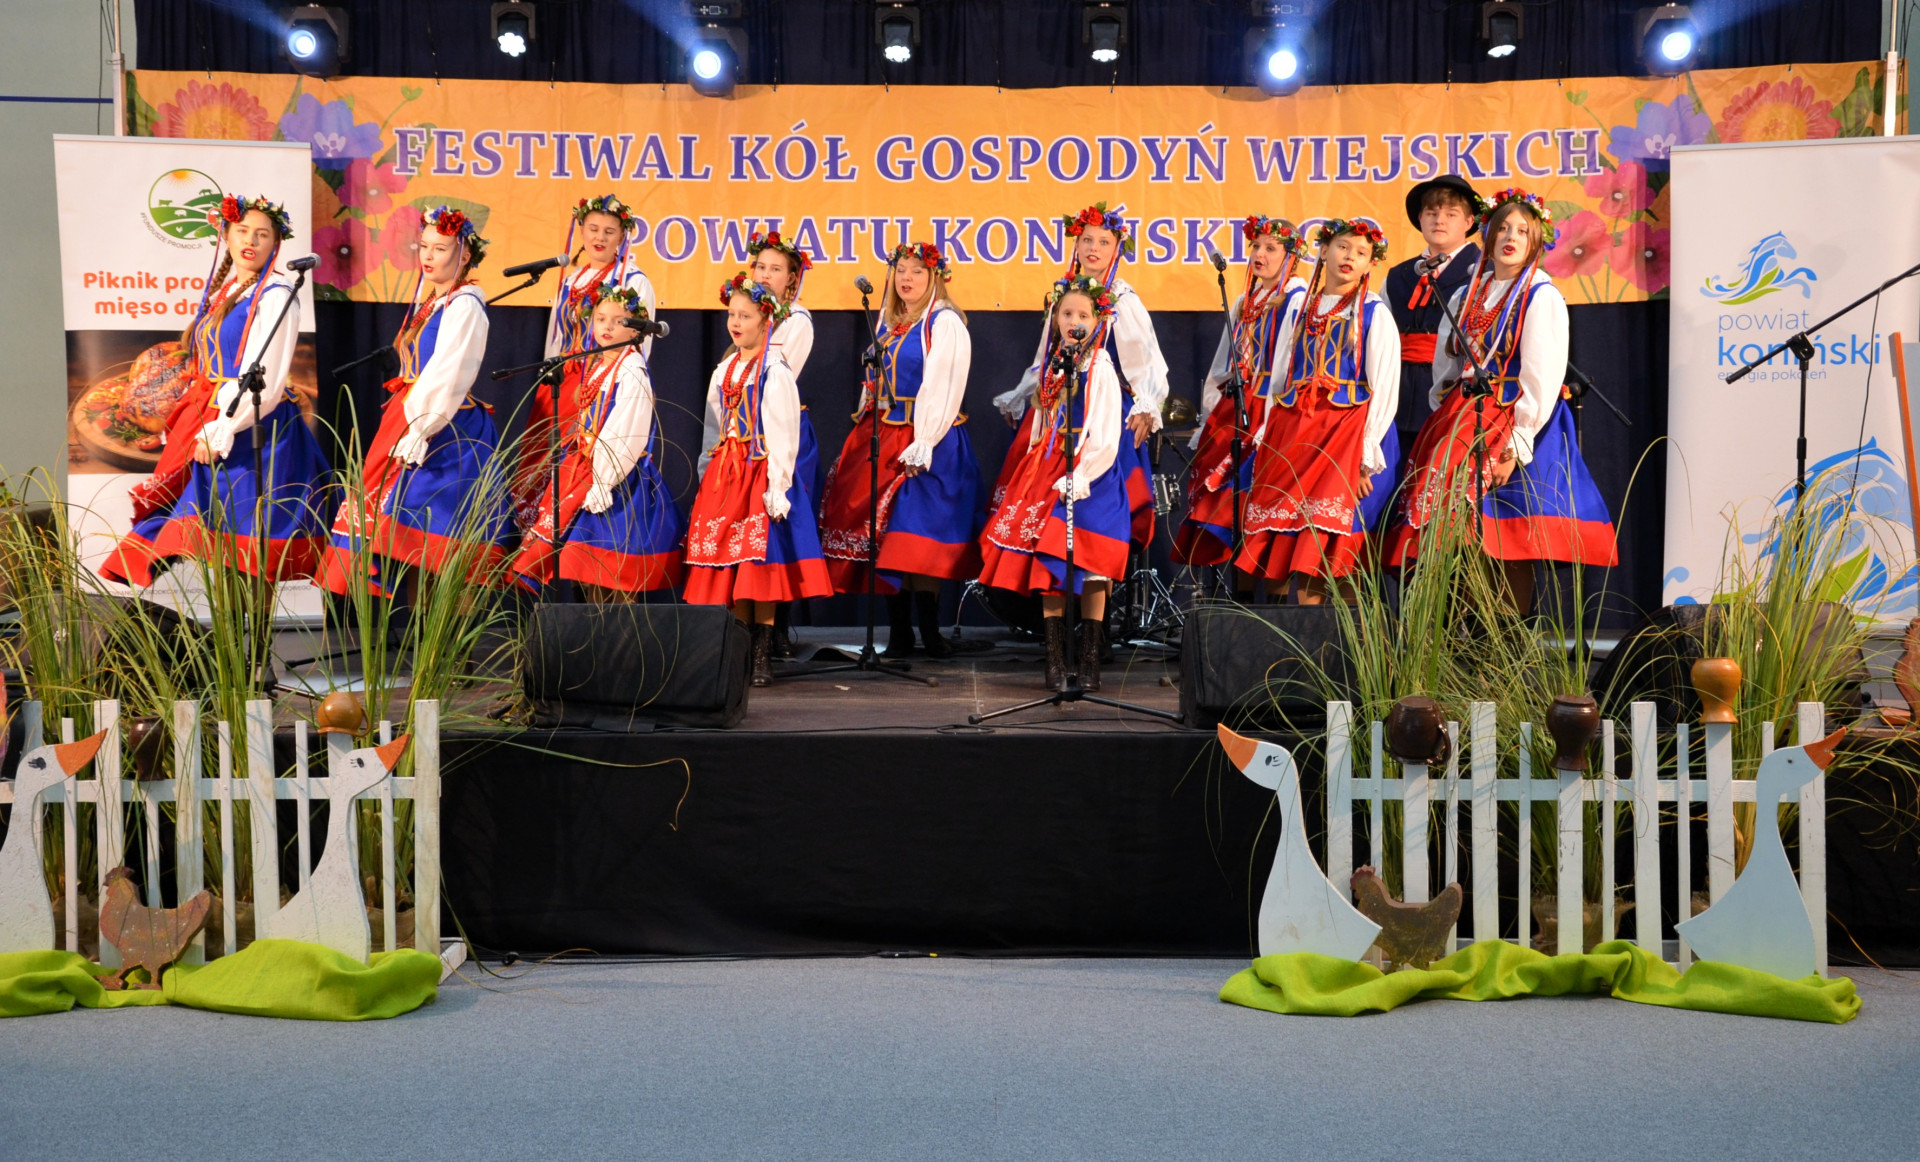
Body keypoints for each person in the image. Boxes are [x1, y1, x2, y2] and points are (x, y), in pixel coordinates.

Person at [1383, 188, 1618, 613]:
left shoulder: (1540, 294)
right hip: (1464, 416)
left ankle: (1507, 638)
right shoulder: (1467, 294)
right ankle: (1462, 632)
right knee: (1458, 534)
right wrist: (1444, 408)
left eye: (1523, 231)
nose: (1511, 237)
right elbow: (1447, 364)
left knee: (1508, 534)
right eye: (1504, 228)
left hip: (1513, 419)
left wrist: (1517, 443)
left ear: (1536, 241)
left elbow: (1542, 373)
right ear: (1488, 237)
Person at [101, 194, 329, 588]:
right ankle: (230, 630)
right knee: (218, 541)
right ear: (226, 235)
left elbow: (266, 376)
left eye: (262, 234)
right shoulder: (230, 291)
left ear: (275, 243)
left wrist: (224, 426)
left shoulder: (276, 295)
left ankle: (254, 631)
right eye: (242, 231)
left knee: (246, 539)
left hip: (253, 423)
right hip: (211, 414)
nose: (251, 241)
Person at [319, 206, 514, 596]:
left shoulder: (465, 304)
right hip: (410, 418)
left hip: (445, 430)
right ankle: (419, 631)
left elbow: (450, 371)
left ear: (464, 254)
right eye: (424, 246)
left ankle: (446, 635)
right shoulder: (435, 302)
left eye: (440, 249)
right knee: (407, 544)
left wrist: (422, 428)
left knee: (436, 539)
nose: (428, 256)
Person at [816, 242, 983, 658]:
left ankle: (929, 630)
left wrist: (924, 440)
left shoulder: (944, 322)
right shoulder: (891, 323)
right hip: (885, 434)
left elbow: (942, 384)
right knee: (888, 537)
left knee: (917, 536)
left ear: (935, 277)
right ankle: (900, 631)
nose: (907, 278)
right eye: (901, 270)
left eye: (917, 271)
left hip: (927, 438)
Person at [1235, 219, 1401, 599]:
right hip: (1295, 428)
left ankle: (1338, 632)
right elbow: (1281, 373)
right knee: (1280, 533)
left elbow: (1384, 387)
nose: (1349, 257)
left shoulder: (1373, 312)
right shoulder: (1300, 306)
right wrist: (1269, 429)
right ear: (1324, 251)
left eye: (1361, 253)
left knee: (1328, 538)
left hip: (1345, 433)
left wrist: (1364, 456)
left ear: (1370, 264)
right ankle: (1282, 628)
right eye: (1342, 247)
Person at [978, 276, 1128, 691]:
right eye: (1066, 314)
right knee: (1050, 562)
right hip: (1050, 465)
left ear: (1097, 321)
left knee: (1094, 565)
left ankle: (1091, 659)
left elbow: (1105, 431)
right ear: (1055, 319)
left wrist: (1083, 474)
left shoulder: (1100, 366)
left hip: (1091, 472)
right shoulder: (1053, 364)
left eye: (1083, 315)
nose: (1073, 321)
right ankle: (1056, 661)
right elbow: (1044, 420)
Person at [685, 274, 832, 685]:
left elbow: (784, 431)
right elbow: (713, 427)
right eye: (732, 314)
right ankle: (739, 651)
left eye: (745, 316)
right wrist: (706, 472)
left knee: (758, 564)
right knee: (729, 563)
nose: (735, 322)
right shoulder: (725, 369)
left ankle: (763, 653)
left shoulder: (774, 370)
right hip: (727, 475)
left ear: (766, 320)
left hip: (759, 472)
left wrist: (778, 485)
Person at [993, 203, 1168, 548]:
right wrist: (1024, 393)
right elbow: (1046, 356)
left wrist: (1147, 402)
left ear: (1116, 249)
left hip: (1102, 406)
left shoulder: (1121, 299)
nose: (1093, 249)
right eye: (1087, 240)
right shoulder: (1065, 294)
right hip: (1060, 401)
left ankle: (1095, 555)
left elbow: (1146, 358)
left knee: (1100, 493)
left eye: (1104, 242)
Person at [511, 286, 682, 598]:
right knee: (579, 563)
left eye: (618, 321)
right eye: (601, 318)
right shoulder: (598, 365)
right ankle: (586, 620)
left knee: (607, 563)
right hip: (581, 468)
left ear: (636, 329)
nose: (607, 326)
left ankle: (613, 625)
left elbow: (625, 429)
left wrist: (604, 481)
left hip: (615, 479)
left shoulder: (631, 370)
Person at [1171, 216, 1307, 569]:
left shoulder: (1296, 299)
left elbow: (1291, 365)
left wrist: (1274, 418)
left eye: (1271, 248)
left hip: (1269, 407)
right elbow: (1223, 363)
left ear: (1291, 256)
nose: (1259, 254)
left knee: (1257, 499)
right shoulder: (1246, 300)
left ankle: (1265, 589)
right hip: (1239, 403)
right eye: (1256, 246)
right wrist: (1211, 413)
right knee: (1227, 506)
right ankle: (1236, 592)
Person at [515, 194, 656, 531]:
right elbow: (556, 334)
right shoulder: (571, 279)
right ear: (581, 230)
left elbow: (640, 342)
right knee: (541, 458)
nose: (599, 237)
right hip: (563, 380)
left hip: (599, 382)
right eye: (593, 229)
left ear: (622, 236)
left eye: (609, 231)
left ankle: (574, 535)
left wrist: (615, 377)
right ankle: (533, 536)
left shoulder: (632, 280)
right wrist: (549, 373)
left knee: (579, 461)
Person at [747, 229, 820, 659]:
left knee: (782, 522)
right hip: (746, 431)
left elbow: (774, 377)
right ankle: (750, 630)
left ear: (791, 278)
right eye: (760, 267)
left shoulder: (796, 320)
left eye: (775, 269)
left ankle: (777, 629)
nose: (765, 275)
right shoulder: (747, 314)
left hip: (782, 430)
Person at [1385, 175, 1483, 439]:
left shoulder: (1484, 273)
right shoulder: (1398, 275)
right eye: (1431, 213)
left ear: (1469, 222)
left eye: (1451, 214)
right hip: (1397, 396)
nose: (1439, 220)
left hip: (1452, 395)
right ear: (1420, 219)